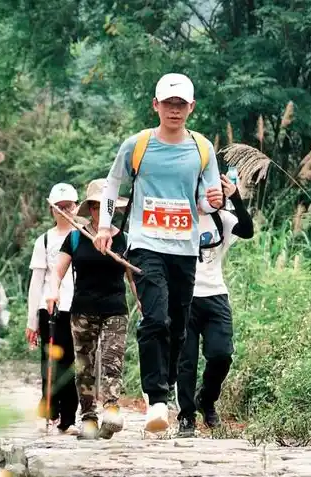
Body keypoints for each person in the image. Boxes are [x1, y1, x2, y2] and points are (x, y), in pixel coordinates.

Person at [94, 73, 223, 433]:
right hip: (145, 244)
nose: (174, 110)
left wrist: (216, 200)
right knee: (155, 319)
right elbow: (112, 185)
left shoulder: (202, 149)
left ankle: (164, 388)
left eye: (181, 104)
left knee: (179, 327)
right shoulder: (137, 145)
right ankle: (156, 399)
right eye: (168, 103)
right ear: (156, 105)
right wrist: (105, 226)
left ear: (191, 108)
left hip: (184, 248)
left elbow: (205, 199)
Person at [47, 178, 139, 440]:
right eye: (97, 206)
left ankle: (111, 410)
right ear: (92, 209)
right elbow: (58, 271)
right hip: (83, 311)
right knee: (85, 365)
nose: (102, 212)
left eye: (107, 206)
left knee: (112, 360)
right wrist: (52, 290)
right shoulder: (76, 238)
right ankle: (88, 417)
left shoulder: (125, 241)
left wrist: (143, 303)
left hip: (115, 310)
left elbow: (133, 280)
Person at [176, 174, 254, 437]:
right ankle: (186, 417)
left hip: (216, 296)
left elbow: (248, 230)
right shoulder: (178, 218)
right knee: (186, 361)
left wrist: (235, 197)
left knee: (222, 355)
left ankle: (206, 400)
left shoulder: (222, 219)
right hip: (185, 297)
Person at [26, 183, 79, 435]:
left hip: (76, 307)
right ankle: (49, 410)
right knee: (49, 361)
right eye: (59, 207)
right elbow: (36, 283)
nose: (64, 211)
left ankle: (68, 418)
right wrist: (31, 321)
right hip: (50, 308)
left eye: (69, 205)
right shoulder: (45, 240)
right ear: (51, 209)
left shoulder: (83, 237)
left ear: (77, 206)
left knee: (70, 363)